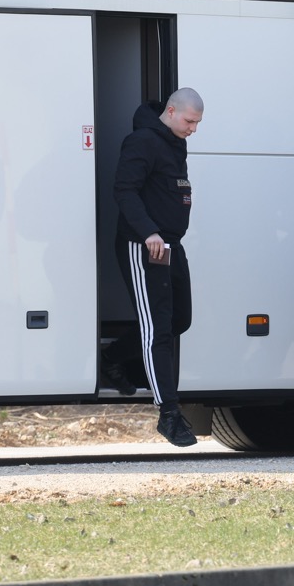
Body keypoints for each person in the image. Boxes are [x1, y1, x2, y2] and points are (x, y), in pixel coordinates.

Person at [106, 88, 204, 447]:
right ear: (172, 110)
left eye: (197, 124)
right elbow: (124, 191)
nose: (193, 129)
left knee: (181, 320)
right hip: (144, 245)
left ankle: (113, 358)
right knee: (157, 330)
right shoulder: (143, 141)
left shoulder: (175, 142)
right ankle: (169, 415)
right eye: (190, 121)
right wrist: (148, 233)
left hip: (170, 246)